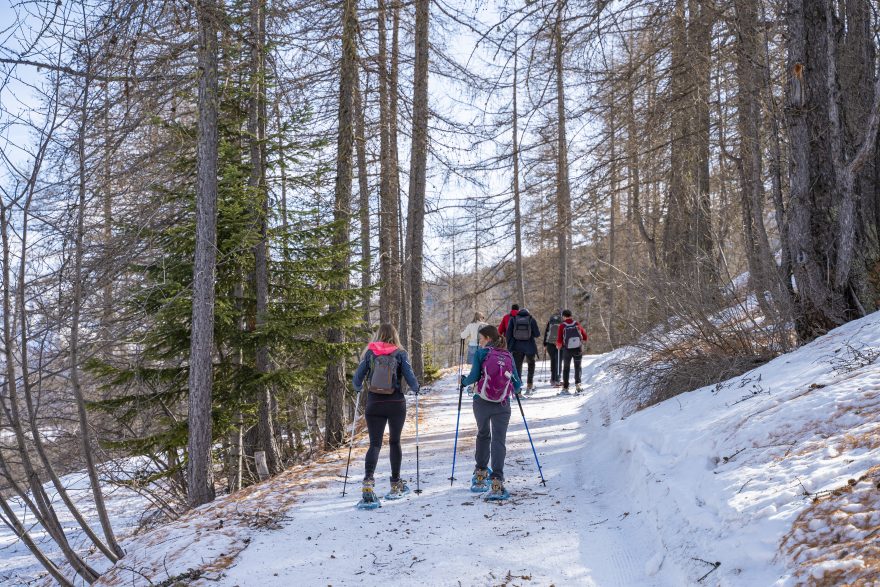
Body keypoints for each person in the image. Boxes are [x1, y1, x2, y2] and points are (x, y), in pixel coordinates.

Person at [352, 323, 420, 506]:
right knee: (394, 442)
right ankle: (396, 483)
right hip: (396, 403)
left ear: (378, 335)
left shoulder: (370, 354)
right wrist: (416, 388)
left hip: (374, 404)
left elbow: (357, 380)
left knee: (375, 444)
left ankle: (368, 482)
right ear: (395, 336)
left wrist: (358, 388)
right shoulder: (400, 353)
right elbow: (411, 377)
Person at [460, 325, 522, 499]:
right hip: (502, 404)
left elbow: (473, 377)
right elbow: (517, 384)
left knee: (483, 434)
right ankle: (497, 481)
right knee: (499, 441)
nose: (479, 342)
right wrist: (514, 388)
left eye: (480, 339)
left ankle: (480, 474)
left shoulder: (482, 354)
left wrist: (464, 382)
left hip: (481, 402)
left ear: (487, 338)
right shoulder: (508, 355)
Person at [505, 307, 540, 394]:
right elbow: (537, 334)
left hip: (517, 347)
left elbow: (508, 334)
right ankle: (529, 386)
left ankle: (518, 390)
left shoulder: (513, 319)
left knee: (517, 369)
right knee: (531, 366)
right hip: (530, 347)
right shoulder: (531, 320)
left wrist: (508, 347)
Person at [555, 309, 588, 395]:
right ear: (571, 315)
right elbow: (584, 336)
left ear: (564, 316)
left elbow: (559, 339)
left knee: (566, 368)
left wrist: (558, 345)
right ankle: (578, 385)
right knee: (578, 367)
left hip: (567, 350)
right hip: (578, 348)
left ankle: (565, 387)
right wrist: (583, 340)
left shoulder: (562, 326)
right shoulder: (576, 324)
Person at [543, 310, 563, 388]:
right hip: (559, 343)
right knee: (558, 361)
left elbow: (546, 332)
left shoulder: (550, 322)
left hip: (550, 344)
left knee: (553, 361)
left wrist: (545, 344)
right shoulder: (562, 322)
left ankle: (552, 379)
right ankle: (558, 379)